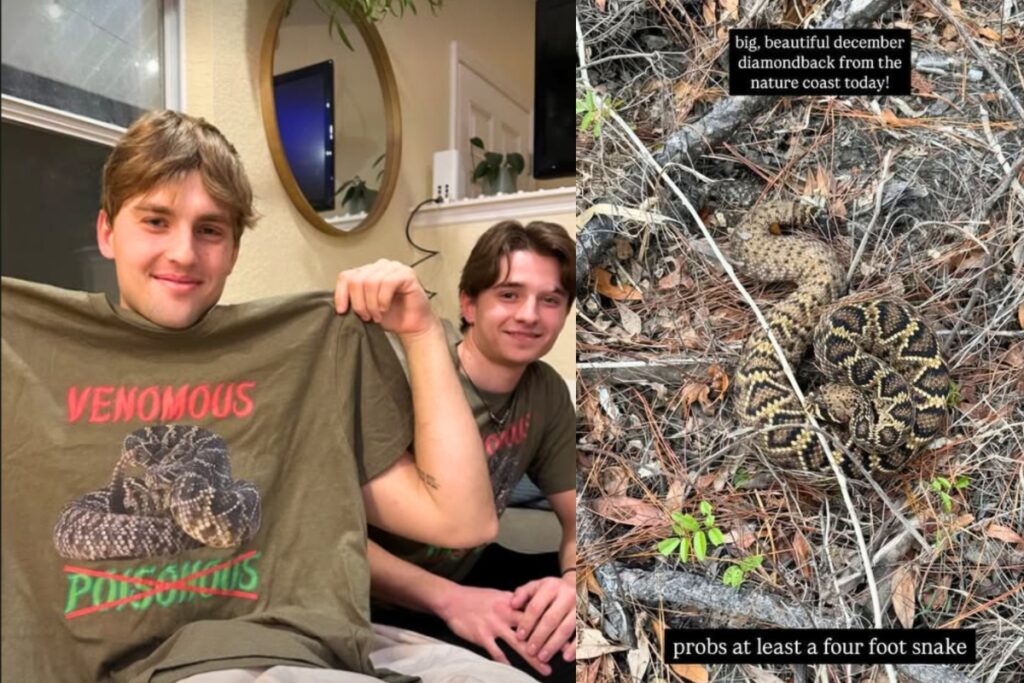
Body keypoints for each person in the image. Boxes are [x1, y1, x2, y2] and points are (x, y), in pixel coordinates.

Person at [0, 110, 537, 682]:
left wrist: (422, 330)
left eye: (210, 229)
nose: (184, 252)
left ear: (233, 249)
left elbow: (464, 523)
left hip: (303, 640)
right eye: (155, 221)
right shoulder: (26, 348)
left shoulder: (303, 352)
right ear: (107, 232)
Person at [369, 221, 577, 681]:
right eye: (509, 295)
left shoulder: (545, 392)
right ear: (468, 302)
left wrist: (573, 584)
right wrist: (450, 600)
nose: (529, 315)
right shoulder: (403, 372)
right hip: (377, 595)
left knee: (586, 640)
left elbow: (578, 519)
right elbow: (329, 535)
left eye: (550, 300)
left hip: (473, 565)